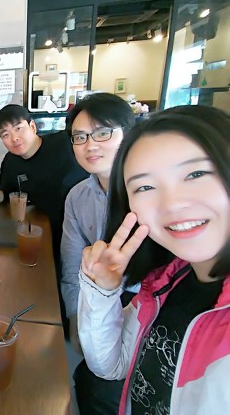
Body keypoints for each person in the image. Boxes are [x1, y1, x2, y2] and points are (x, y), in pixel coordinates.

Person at [78, 105, 229, 414]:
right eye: (145, 187)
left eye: (196, 174)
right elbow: (111, 365)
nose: (172, 204)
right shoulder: (167, 282)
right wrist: (102, 290)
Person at [60, 93, 136, 414]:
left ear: (128, 133)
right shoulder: (77, 197)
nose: (90, 145)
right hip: (97, 303)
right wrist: (76, 318)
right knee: (88, 385)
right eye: (80, 137)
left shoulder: (150, 190)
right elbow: (71, 264)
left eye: (103, 132)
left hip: (144, 305)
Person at [0, 104, 88, 270]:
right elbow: (7, 192)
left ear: (32, 126)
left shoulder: (64, 143)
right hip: (46, 231)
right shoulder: (11, 162)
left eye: (18, 128)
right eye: (6, 134)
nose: (14, 138)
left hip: (83, 227)